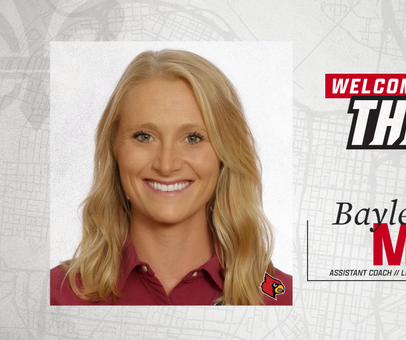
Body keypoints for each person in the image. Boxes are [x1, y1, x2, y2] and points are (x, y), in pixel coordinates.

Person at [50, 49, 292, 305]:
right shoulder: (57, 294)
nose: (166, 165)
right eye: (144, 136)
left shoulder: (281, 297)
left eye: (193, 138)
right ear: (114, 148)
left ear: (225, 154)